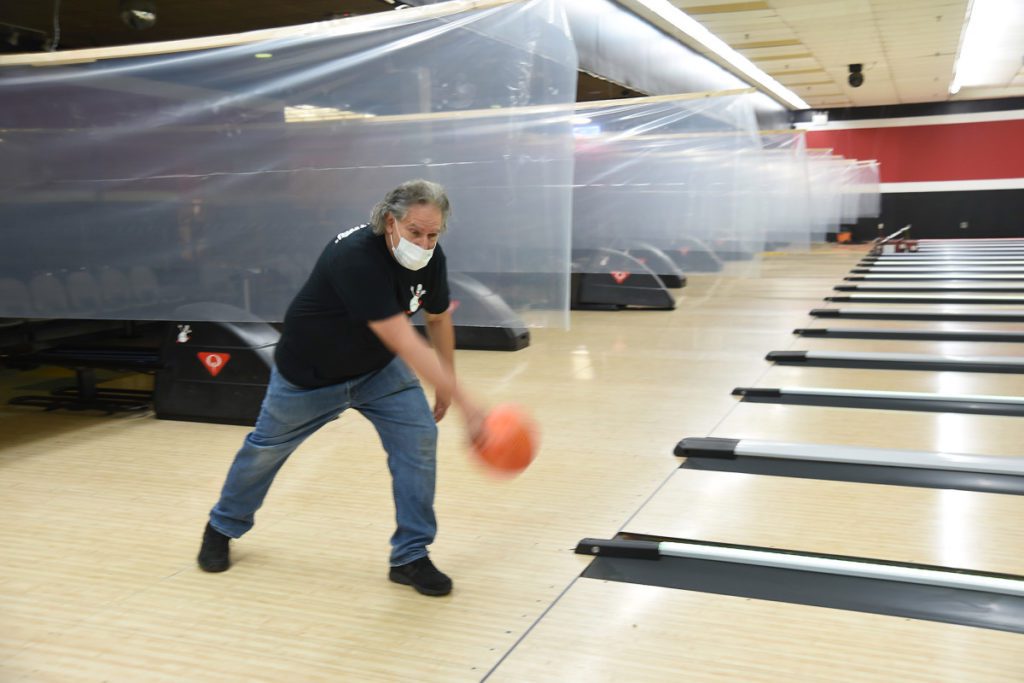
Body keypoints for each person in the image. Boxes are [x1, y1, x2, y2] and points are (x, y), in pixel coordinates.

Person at [197, 179, 485, 597]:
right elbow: (403, 337)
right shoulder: (354, 256)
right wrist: (470, 406)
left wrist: (448, 383)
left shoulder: (430, 258)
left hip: (378, 372)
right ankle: (222, 526)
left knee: (419, 442)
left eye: (432, 234)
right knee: (264, 451)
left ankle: (410, 555)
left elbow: (438, 319)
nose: (424, 244)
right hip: (310, 375)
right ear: (391, 222)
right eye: (415, 232)